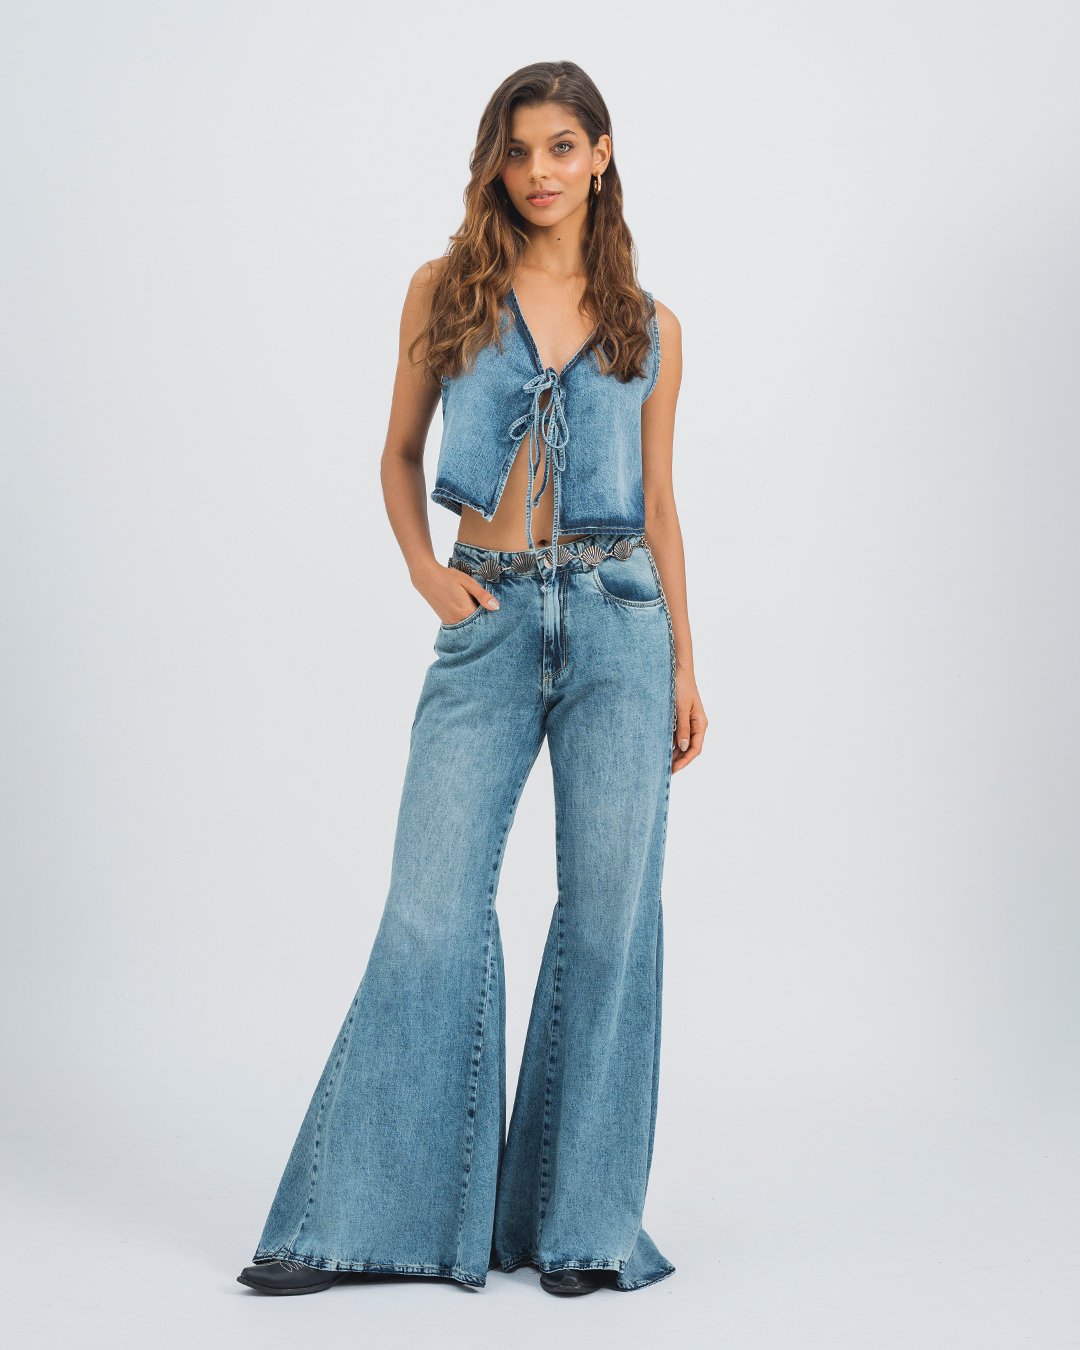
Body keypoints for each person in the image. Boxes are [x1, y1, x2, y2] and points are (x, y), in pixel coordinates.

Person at [237, 59, 706, 1300]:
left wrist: (685, 664)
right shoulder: (446, 289)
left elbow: (660, 506)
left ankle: (582, 1226)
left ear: (602, 154)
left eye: (563, 147)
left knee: (611, 917)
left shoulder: (651, 326)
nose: (540, 171)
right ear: (495, 162)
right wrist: (422, 570)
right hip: (488, 618)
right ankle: (358, 1224)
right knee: (431, 907)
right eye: (519, 149)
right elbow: (398, 455)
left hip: (621, 623)